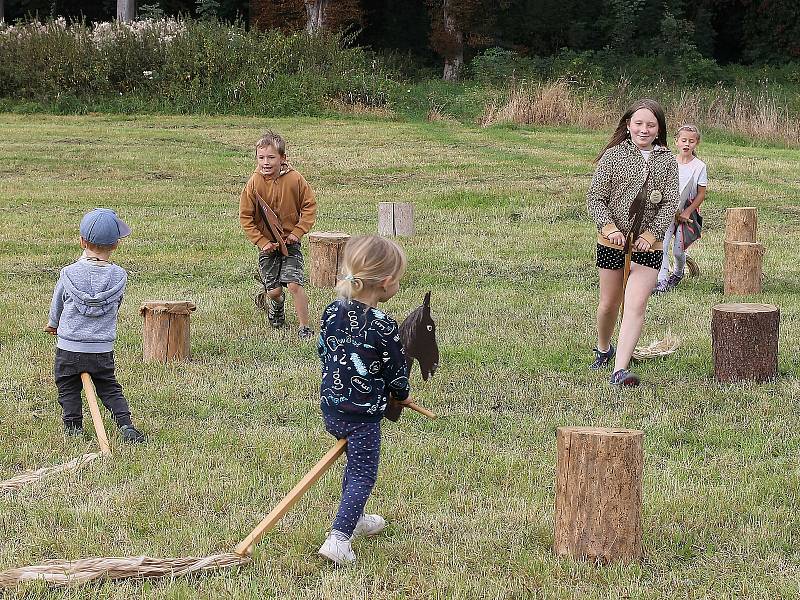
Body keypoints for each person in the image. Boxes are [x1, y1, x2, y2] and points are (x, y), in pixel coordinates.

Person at [316, 235, 411, 566]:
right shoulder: (383, 325)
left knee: (354, 464)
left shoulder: (331, 311)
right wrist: (400, 396)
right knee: (363, 472)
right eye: (398, 279)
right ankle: (339, 538)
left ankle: (352, 517)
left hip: (331, 406)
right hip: (361, 415)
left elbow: (324, 351)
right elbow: (397, 373)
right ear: (386, 283)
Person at [586, 99, 680, 386]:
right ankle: (604, 348)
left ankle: (620, 370)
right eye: (638, 123)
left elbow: (670, 202)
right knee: (609, 303)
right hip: (612, 243)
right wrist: (610, 227)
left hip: (647, 247)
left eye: (651, 125)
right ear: (628, 126)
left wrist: (651, 235)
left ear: (659, 129)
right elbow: (595, 198)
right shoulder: (613, 157)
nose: (644, 129)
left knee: (636, 304)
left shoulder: (667, 161)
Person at [45, 208, 145, 442]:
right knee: (109, 387)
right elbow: (115, 305)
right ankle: (125, 424)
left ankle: (73, 428)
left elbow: (57, 303)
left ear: (81, 241)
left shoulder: (68, 274)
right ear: (115, 245)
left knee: (68, 386)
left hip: (69, 347)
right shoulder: (119, 276)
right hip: (100, 348)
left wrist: (53, 324)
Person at [239, 131, 317, 339]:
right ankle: (276, 304)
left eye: (271, 157)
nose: (266, 162)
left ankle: (304, 327)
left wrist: (297, 233)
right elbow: (246, 217)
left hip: (290, 244)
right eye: (261, 157)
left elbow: (309, 207)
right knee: (274, 291)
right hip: (268, 247)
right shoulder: (253, 183)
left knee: (294, 284)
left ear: (283, 158)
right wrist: (262, 241)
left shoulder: (295, 179)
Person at [654, 124, 708, 293]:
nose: (687, 144)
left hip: (687, 211)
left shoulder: (699, 166)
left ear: (696, 143)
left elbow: (700, 194)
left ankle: (677, 273)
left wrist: (686, 212)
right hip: (668, 209)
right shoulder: (670, 162)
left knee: (678, 250)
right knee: (662, 245)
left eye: (691, 141)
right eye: (683, 140)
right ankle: (661, 280)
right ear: (676, 142)